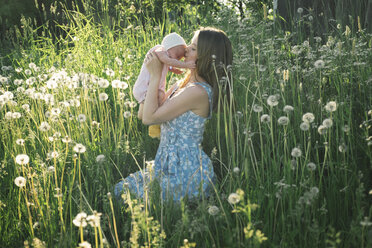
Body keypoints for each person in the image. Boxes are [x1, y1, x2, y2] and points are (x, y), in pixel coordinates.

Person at [115, 27, 233, 202]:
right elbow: (143, 113)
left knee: (138, 200)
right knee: (120, 191)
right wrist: (149, 75)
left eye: (192, 48)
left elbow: (149, 118)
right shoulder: (180, 85)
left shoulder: (197, 92)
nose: (185, 50)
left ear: (205, 57)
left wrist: (155, 75)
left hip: (186, 171)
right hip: (166, 164)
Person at [133, 32, 196, 138]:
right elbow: (168, 60)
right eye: (177, 56)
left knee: (159, 100)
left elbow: (169, 64)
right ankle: (154, 127)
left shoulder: (166, 55)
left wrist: (174, 69)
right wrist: (184, 65)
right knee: (152, 107)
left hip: (150, 88)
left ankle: (150, 121)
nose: (175, 60)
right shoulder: (160, 50)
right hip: (144, 88)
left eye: (179, 59)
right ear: (169, 47)